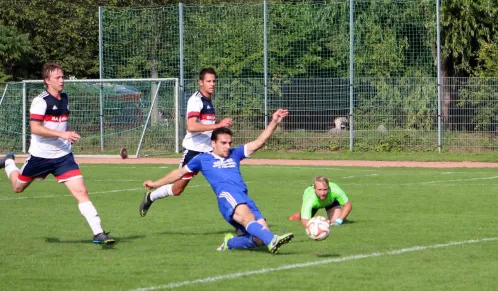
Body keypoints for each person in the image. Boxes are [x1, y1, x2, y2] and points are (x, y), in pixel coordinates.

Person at [143, 109, 294, 253]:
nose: (228, 146)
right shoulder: (202, 159)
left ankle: (230, 243)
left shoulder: (235, 154)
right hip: (227, 197)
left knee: (259, 239)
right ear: (213, 143)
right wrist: (155, 184)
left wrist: (274, 121)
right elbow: (179, 172)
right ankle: (273, 240)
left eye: (229, 143)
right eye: (223, 143)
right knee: (251, 222)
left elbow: (259, 142)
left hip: (244, 197)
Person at [0, 63, 115, 244]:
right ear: (47, 80)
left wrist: (67, 132)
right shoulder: (41, 101)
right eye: (58, 78)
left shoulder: (65, 98)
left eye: (63, 77)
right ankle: (8, 162)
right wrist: (62, 134)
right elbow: (35, 128)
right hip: (40, 157)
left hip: (63, 157)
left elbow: (61, 124)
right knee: (18, 187)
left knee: (81, 192)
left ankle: (98, 233)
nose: (62, 80)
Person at [139, 67, 233, 216]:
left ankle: (240, 219)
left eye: (214, 81)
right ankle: (151, 196)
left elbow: (206, 126)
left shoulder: (208, 100)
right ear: (200, 83)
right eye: (208, 81)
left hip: (209, 152)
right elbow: (191, 126)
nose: (212, 84)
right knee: (177, 189)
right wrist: (218, 125)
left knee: (225, 183)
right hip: (194, 151)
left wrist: (219, 125)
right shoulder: (196, 100)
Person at [288, 176, 353, 228]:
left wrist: (340, 220)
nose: (322, 193)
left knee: (335, 221)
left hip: (330, 202)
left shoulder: (335, 190)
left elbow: (348, 205)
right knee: (302, 219)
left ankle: (342, 218)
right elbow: (305, 222)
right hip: (314, 204)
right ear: (314, 189)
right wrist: (317, 228)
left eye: (325, 189)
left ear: (328, 188)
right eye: (319, 190)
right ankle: (299, 215)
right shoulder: (309, 199)